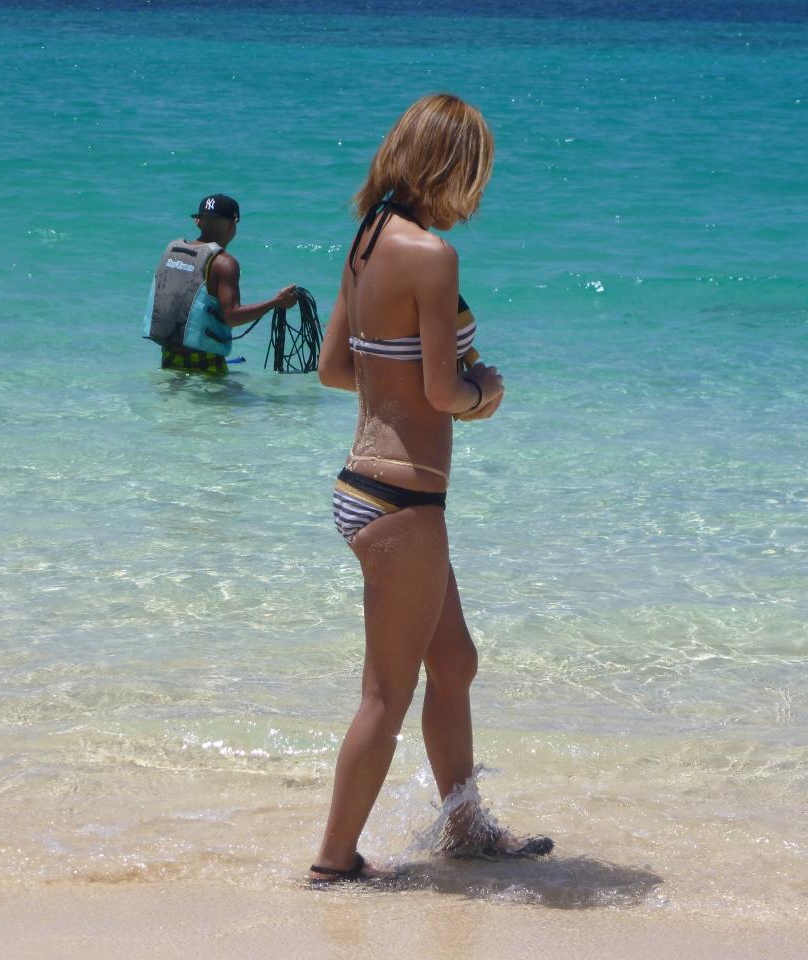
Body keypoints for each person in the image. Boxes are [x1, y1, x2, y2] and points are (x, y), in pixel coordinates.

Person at [309, 94, 551, 884]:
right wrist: (486, 391)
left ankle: (467, 830)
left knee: (456, 663)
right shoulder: (432, 255)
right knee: (386, 694)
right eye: (475, 172)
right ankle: (333, 863)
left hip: (363, 485)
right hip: (406, 501)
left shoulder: (367, 240)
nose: (476, 193)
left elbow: (335, 369)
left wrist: (405, 384)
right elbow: (447, 393)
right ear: (450, 167)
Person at [144, 193, 297, 374]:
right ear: (233, 223)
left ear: (198, 222)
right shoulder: (224, 263)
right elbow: (232, 316)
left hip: (169, 359)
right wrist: (276, 302)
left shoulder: (173, 251)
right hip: (207, 363)